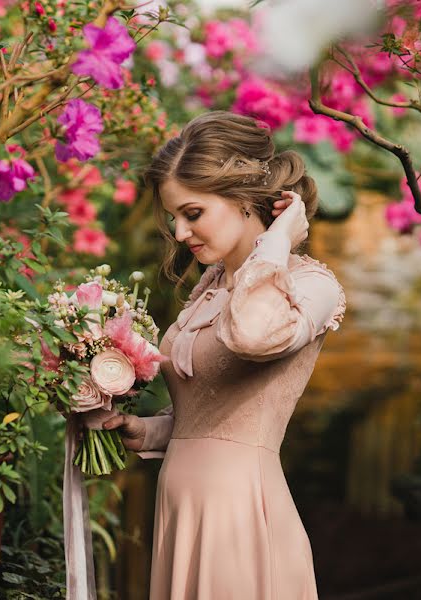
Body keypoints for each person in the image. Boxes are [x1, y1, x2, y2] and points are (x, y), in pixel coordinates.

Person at [102, 111, 346, 600]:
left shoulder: (309, 287)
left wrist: (278, 238)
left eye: (192, 214)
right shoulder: (209, 289)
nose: (179, 231)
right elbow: (208, 415)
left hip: (240, 512)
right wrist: (145, 429)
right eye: (173, 217)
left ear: (241, 200)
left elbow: (253, 337)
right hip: (181, 508)